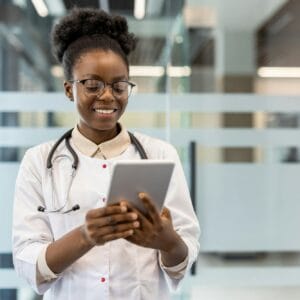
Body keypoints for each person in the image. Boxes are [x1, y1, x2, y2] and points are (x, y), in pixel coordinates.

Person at [12, 7, 200, 300]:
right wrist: (85, 236)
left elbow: (183, 256)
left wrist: (167, 241)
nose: (108, 95)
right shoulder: (39, 162)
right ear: (69, 90)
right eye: (92, 85)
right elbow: (28, 264)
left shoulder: (160, 154)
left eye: (119, 85)